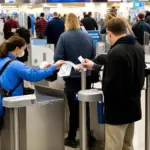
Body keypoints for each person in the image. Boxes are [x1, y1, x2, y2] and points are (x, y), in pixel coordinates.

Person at [82, 17, 145, 150]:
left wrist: (97, 72)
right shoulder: (137, 47)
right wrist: (96, 65)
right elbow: (125, 70)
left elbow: (110, 84)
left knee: (113, 145)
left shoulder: (116, 52)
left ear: (110, 33)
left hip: (118, 111)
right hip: (133, 106)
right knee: (127, 145)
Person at [0, 36, 64, 126]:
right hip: (9, 104)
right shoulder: (15, 64)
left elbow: (29, 72)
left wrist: (41, 69)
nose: (24, 52)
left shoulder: (4, 60)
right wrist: (54, 67)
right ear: (17, 48)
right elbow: (33, 76)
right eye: (23, 49)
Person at [54, 13, 96, 148]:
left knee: (73, 108)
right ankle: (87, 135)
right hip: (86, 77)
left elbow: (58, 57)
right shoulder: (88, 36)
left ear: (67, 23)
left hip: (71, 79)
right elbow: (93, 56)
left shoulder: (64, 37)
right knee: (85, 106)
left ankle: (72, 137)